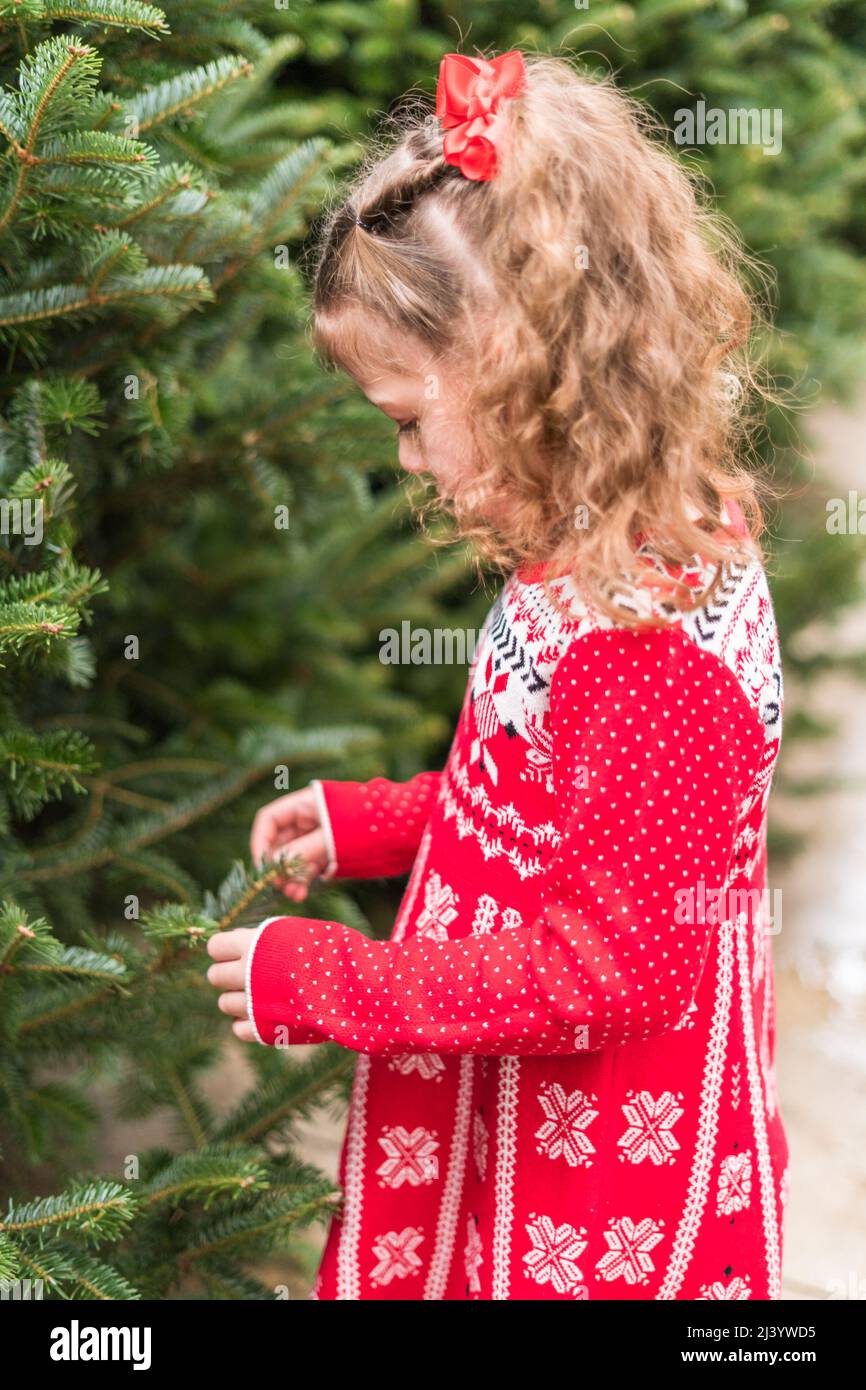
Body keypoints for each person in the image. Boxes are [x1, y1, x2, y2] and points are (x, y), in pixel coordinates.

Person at [206, 50, 788, 1301]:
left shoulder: (646, 638)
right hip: (519, 1104)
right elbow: (548, 807)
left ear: (527, 367)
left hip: (592, 1174)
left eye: (409, 417)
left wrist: (329, 978)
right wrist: (375, 824)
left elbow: (616, 966)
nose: (407, 462)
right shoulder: (585, 541)